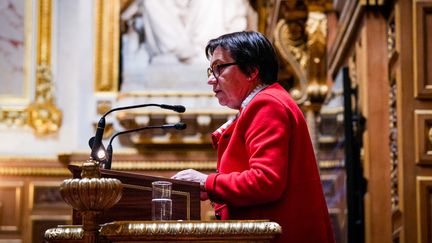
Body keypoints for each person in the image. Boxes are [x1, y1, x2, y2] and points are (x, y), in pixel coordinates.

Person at [171, 31, 335, 243]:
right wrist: (211, 190)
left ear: (251, 71)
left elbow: (266, 181)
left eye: (219, 68)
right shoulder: (267, 102)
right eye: (211, 70)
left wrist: (207, 182)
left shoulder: (266, 104)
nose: (211, 80)